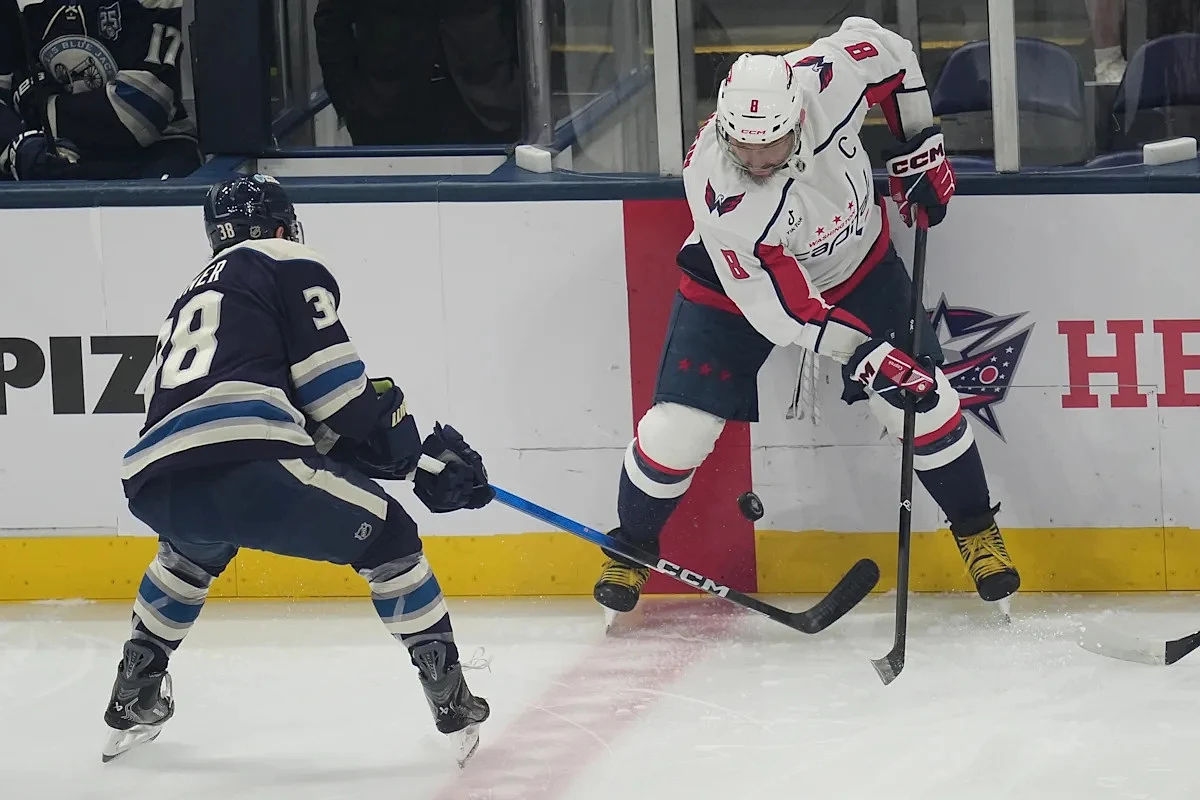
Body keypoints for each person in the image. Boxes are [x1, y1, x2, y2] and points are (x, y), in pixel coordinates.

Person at [593, 17, 1021, 616]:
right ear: (722, 126)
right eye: (742, 145)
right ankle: (632, 546)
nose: (757, 159)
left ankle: (978, 533)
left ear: (797, 116)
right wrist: (862, 353)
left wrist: (920, 146)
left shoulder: (827, 78)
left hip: (858, 268)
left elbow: (893, 55)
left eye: (770, 143)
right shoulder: (719, 189)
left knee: (923, 399)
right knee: (677, 429)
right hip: (744, 291)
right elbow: (784, 312)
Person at [102, 174, 493, 765]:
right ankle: (448, 688)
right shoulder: (285, 260)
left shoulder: (191, 297)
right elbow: (341, 397)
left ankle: (137, 681)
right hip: (251, 462)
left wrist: (407, 460)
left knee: (187, 554)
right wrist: (415, 453)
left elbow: (300, 425)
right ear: (284, 225)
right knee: (390, 536)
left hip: (156, 479)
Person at [0, 0, 200, 181]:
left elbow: (138, 111)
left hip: (153, 154)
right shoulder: (15, 8)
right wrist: (22, 144)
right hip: (50, 158)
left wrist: (39, 113)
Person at [312, 0, 521, 146]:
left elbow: (521, 11)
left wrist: (519, 86)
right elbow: (331, 20)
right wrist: (350, 105)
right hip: (387, 113)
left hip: (489, 106)